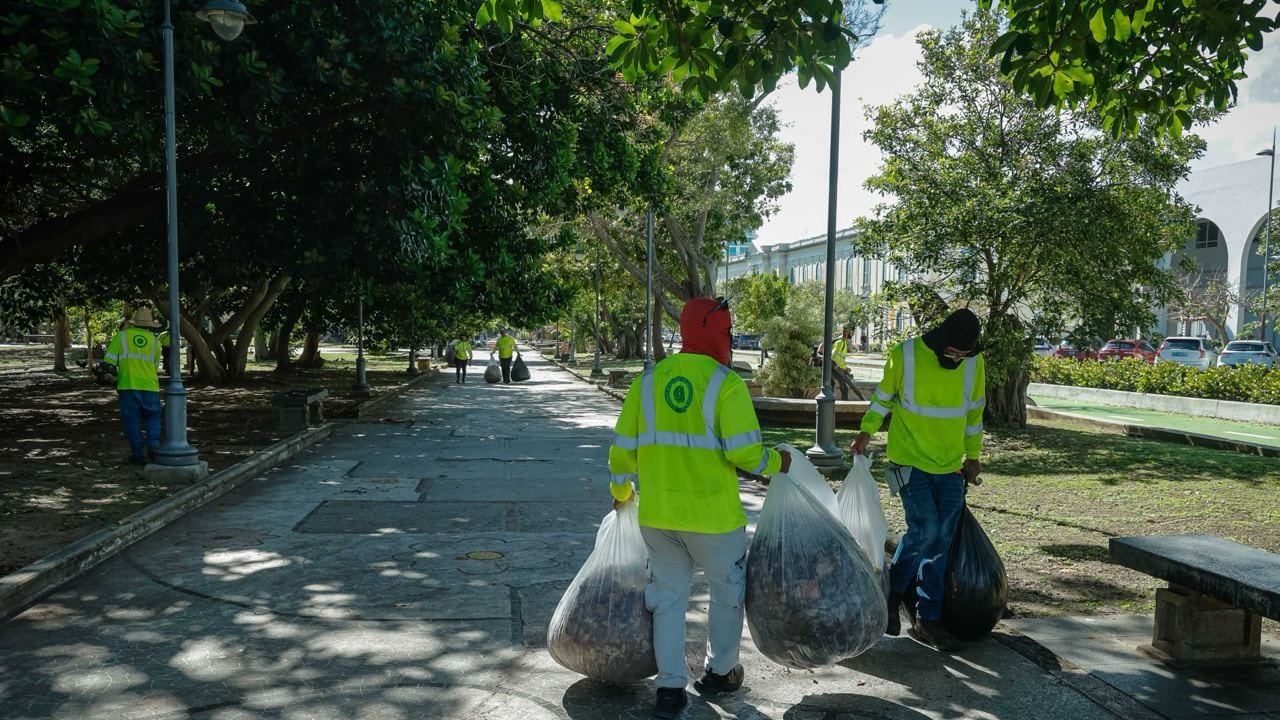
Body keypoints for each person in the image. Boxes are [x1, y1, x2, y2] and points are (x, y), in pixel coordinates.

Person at [609, 296, 792, 720]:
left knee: (667, 599)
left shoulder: (648, 382)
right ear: (713, 332)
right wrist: (777, 465)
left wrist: (620, 490)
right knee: (727, 595)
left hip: (658, 517)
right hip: (714, 520)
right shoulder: (726, 384)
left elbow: (622, 451)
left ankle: (670, 689)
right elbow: (747, 454)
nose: (729, 339)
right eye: (727, 331)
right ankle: (720, 672)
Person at [850, 308, 986, 653]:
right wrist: (866, 431)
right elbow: (883, 397)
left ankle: (929, 620)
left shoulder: (974, 363)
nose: (958, 358)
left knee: (941, 541)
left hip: (950, 464)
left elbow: (973, 414)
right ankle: (894, 593)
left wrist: (973, 457)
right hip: (909, 459)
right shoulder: (906, 355)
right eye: (953, 351)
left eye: (964, 354)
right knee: (925, 530)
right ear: (942, 340)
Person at [104, 308, 164, 465]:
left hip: (128, 385)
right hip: (151, 386)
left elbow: (108, 363)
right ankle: (154, 446)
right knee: (153, 417)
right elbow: (155, 365)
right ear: (150, 325)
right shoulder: (155, 342)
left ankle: (137, 455)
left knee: (132, 420)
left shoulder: (122, 337)